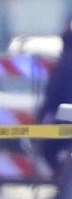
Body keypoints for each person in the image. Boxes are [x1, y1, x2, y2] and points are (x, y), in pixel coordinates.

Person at [37, 23, 72, 175]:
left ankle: (61, 182)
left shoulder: (65, 63)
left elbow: (53, 94)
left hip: (66, 119)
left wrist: (41, 117)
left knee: (49, 148)